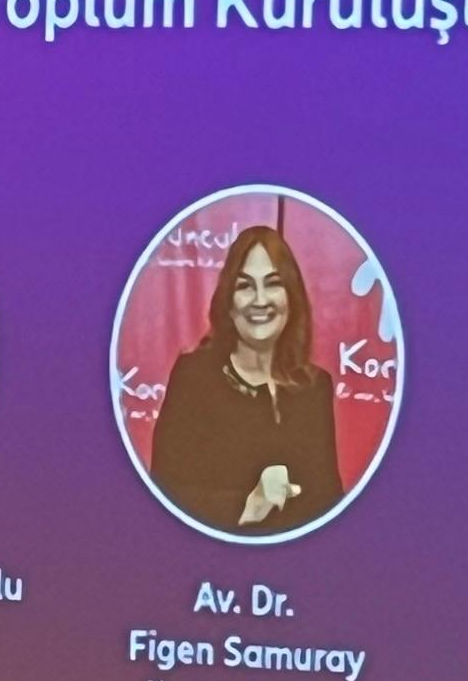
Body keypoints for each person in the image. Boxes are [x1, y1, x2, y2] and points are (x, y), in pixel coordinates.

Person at [146, 224, 346, 535]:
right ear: (228, 301)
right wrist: (248, 505)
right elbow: (164, 495)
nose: (260, 300)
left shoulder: (314, 387)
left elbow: (328, 501)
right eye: (245, 286)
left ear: (291, 298)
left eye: (273, 284)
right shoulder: (193, 377)